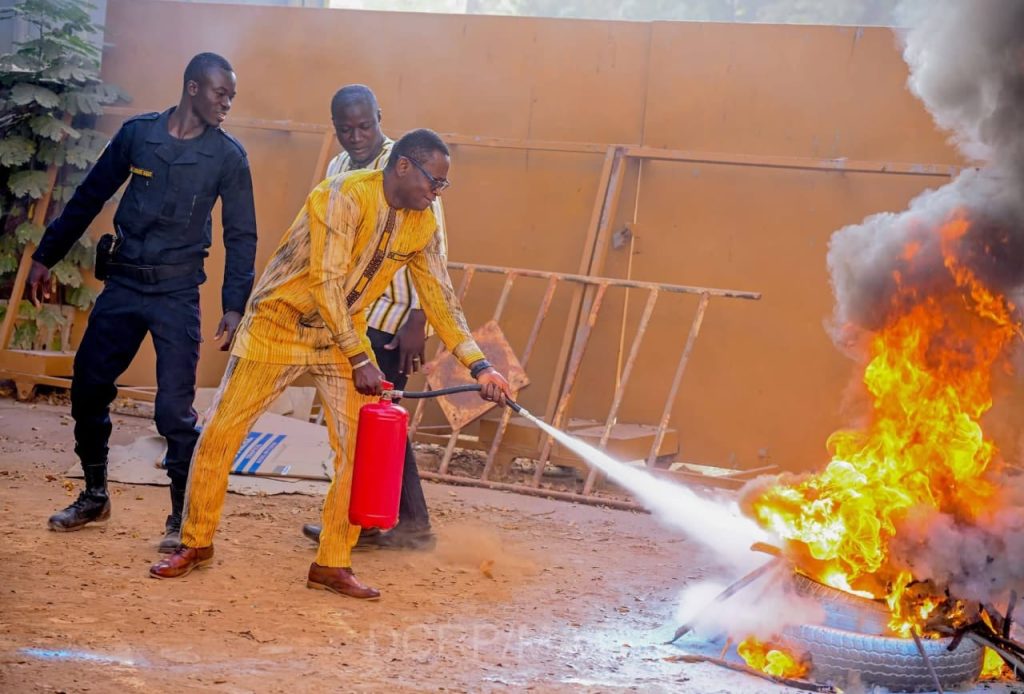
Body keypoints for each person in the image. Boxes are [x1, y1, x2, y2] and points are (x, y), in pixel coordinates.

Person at [149, 129, 512, 600]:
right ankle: (195, 543)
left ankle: (332, 562)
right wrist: (360, 357)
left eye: (444, 184)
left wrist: (480, 367)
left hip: (342, 336)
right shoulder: (340, 195)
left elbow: (440, 298)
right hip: (278, 324)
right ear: (404, 166)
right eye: (434, 181)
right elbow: (325, 281)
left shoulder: (423, 224)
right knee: (221, 433)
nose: (437, 192)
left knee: (358, 450)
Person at [29, 52, 257, 551]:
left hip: (176, 294)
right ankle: (94, 495)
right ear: (192, 88)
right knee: (89, 388)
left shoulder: (228, 157)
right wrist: (46, 256)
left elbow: (241, 235)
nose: (227, 103)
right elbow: (90, 196)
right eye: (220, 93)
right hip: (125, 286)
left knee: (174, 411)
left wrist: (234, 305)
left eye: (232, 96)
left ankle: (180, 518)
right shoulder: (139, 135)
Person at [300, 84, 436, 552]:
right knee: (366, 422)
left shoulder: (407, 164)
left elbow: (433, 246)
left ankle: (402, 524)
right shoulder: (338, 167)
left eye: (364, 126)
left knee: (379, 421)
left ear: (379, 117)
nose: (356, 137)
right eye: (345, 129)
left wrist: (419, 319)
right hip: (353, 313)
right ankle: (374, 519)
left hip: (392, 316)